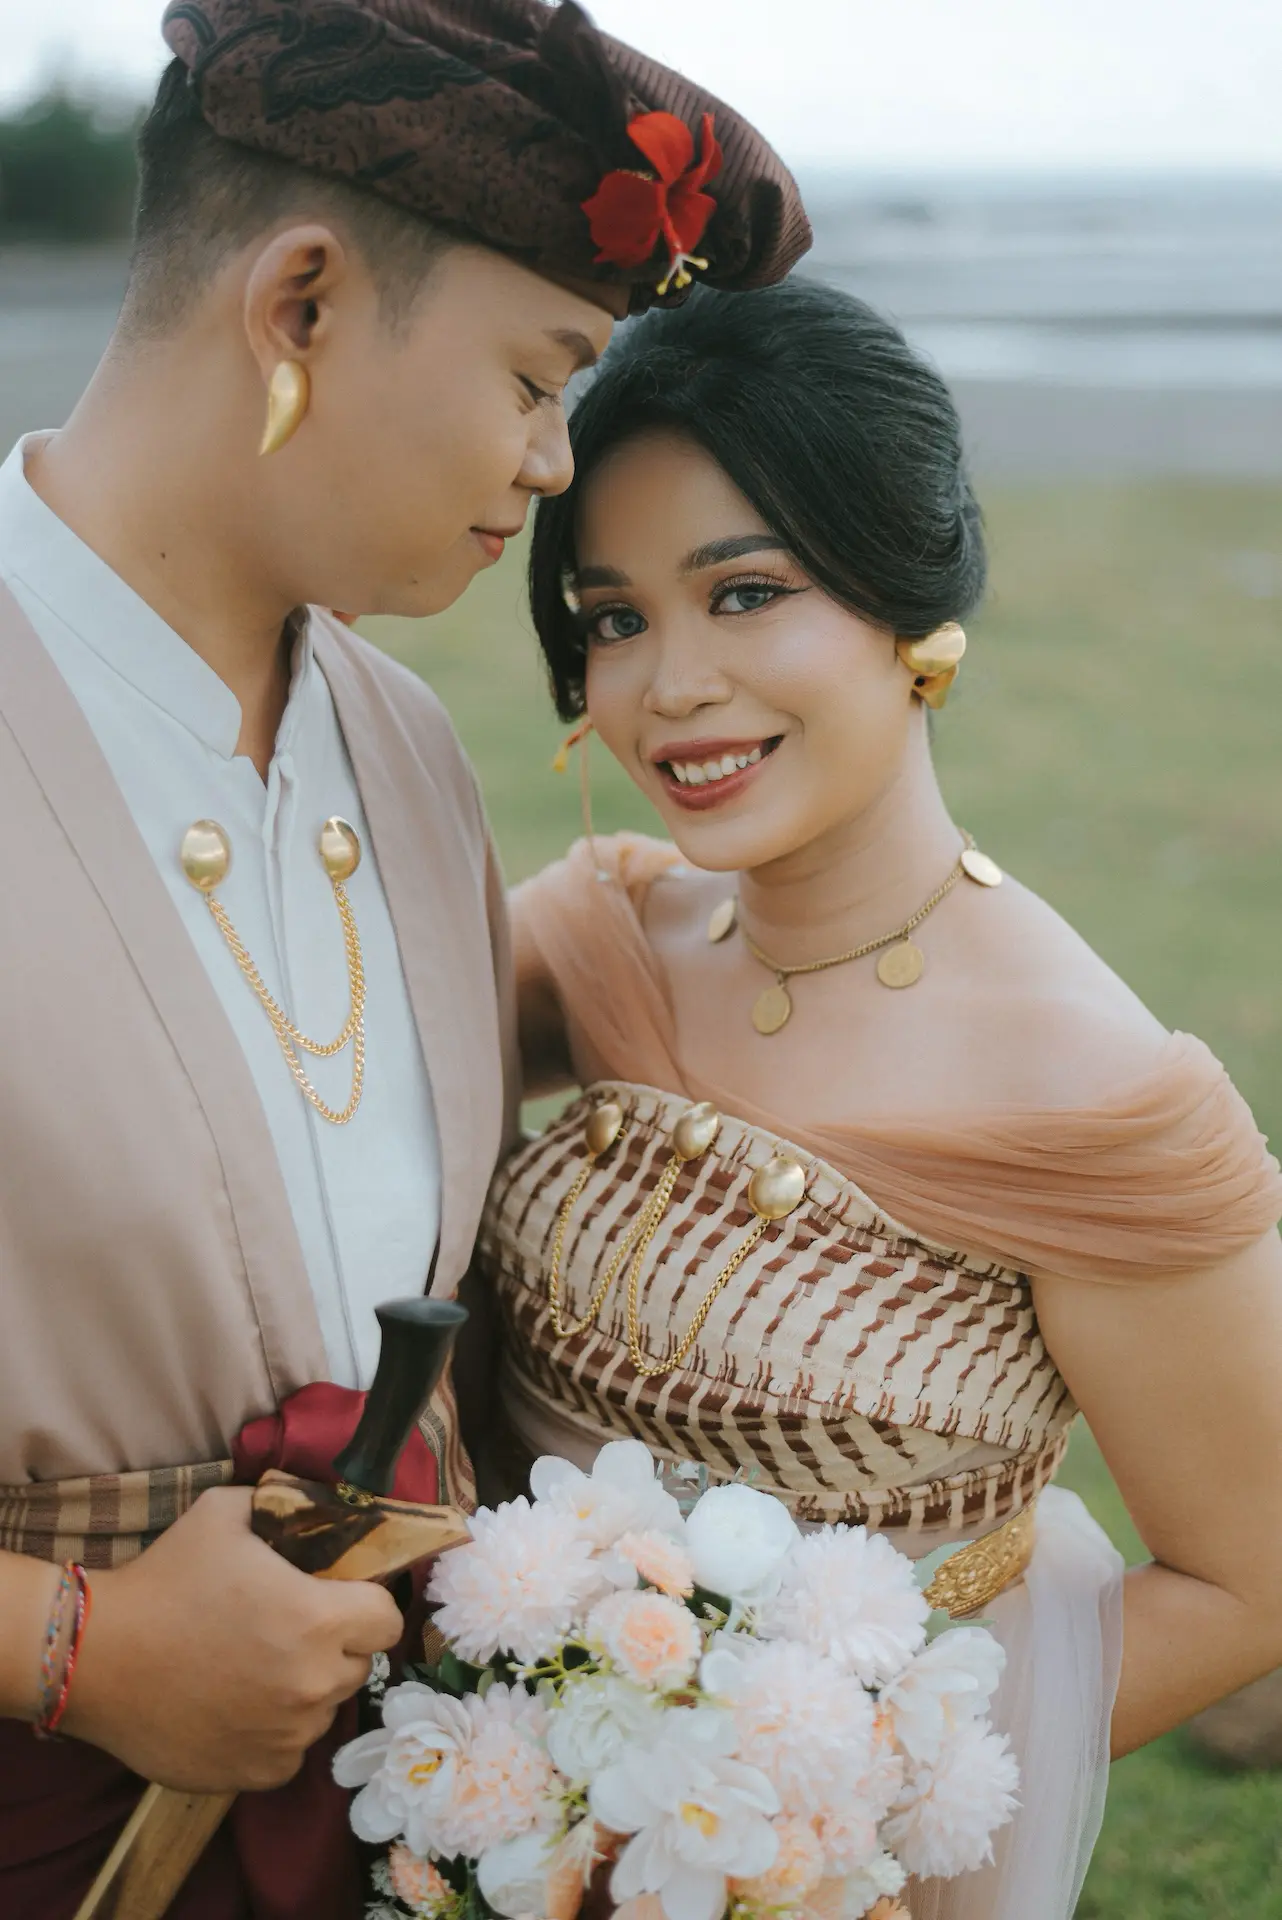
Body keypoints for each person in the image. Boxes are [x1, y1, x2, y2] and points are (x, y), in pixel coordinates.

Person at [0, 1, 810, 1912]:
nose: (548, 463)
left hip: (386, 1813)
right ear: (298, 304)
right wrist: (75, 1645)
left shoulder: (409, 748)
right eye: (536, 378)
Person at [480, 279, 1282, 1919]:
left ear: (909, 601)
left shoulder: (1089, 1093)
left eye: (745, 592)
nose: (667, 685)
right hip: (465, 1801)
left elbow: (1247, 1580)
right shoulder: (608, 941)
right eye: (613, 617)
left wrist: (788, 1815)